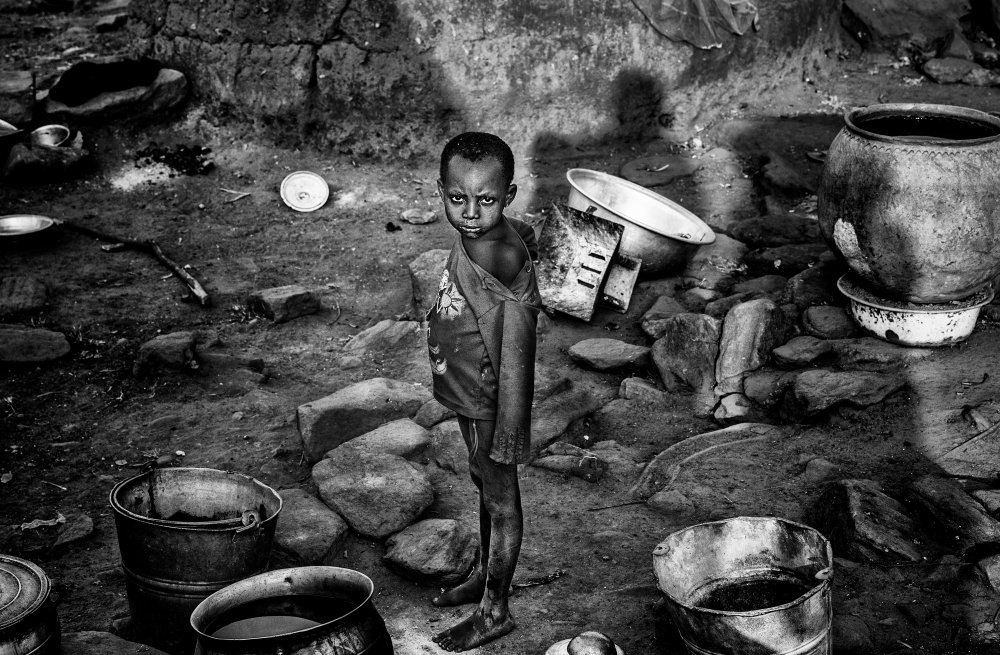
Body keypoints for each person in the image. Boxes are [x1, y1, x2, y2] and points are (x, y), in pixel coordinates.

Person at [426, 131, 541, 651]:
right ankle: (482, 577)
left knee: (501, 499)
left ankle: (495, 610)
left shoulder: (497, 253)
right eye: (458, 198)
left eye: (487, 200)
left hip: (491, 400)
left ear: (509, 196)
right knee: (482, 482)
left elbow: (517, 347)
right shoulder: (478, 235)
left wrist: (508, 428)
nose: (471, 212)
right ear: (441, 190)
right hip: (469, 392)